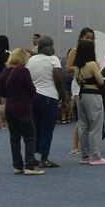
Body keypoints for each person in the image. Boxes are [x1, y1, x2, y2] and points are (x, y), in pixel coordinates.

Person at [2, 48, 44, 175]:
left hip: (9, 109)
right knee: (30, 137)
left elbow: (1, 92)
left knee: (14, 138)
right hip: (23, 108)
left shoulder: (5, 71)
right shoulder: (23, 71)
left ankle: (17, 166)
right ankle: (29, 165)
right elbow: (31, 90)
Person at [26, 37, 65, 168]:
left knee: (34, 128)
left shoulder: (31, 60)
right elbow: (58, 78)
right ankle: (44, 158)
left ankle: (31, 156)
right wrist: (63, 96)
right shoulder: (53, 59)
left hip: (33, 97)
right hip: (49, 96)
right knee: (47, 128)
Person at [72, 38, 105, 166]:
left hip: (81, 96)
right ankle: (96, 156)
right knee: (95, 125)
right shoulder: (92, 64)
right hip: (93, 95)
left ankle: (85, 155)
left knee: (83, 125)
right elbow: (100, 81)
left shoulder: (77, 66)